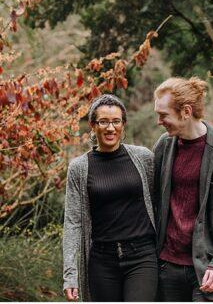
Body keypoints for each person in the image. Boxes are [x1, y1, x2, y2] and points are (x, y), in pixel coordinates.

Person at [151, 77, 213, 301]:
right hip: (167, 267)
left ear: (185, 111)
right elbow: (150, 201)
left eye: (163, 115)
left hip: (206, 269)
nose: (158, 121)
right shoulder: (163, 146)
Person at [62, 94, 158, 301]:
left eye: (116, 121)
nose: (110, 128)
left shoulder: (144, 158)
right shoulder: (79, 168)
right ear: (92, 125)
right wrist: (70, 274)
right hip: (102, 261)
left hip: (142, 257)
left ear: (123, 124)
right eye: (103, 121)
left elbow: (161, 202)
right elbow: (72, 222)